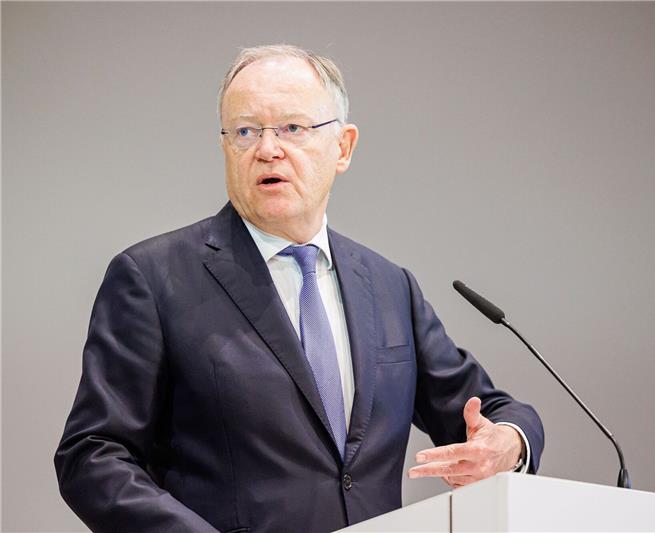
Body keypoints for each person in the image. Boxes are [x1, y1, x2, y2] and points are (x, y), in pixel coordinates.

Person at [54, 44, 544, 533]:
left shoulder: (389, 287)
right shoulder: (154, 277)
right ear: (226, 147)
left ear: (343, 147)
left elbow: (490, 412)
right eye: (246, 131)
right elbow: (93, 456)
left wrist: (508, 441)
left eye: (292, 128)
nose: (268, 148)